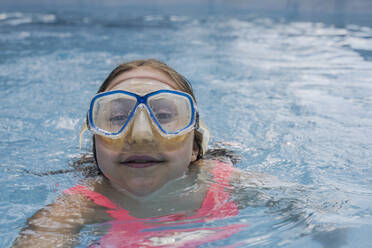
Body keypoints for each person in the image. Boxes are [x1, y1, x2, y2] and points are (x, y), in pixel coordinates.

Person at [12, 59, 263, 248]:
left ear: (194, 148)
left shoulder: (226, 182)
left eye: (164, 116)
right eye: (118, 117)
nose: (140, 135)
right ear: (96, 145)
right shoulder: (81, 205)